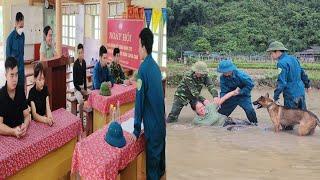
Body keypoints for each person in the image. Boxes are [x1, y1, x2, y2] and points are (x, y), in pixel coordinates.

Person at [132, 28, 166, 180]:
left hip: (151, 128)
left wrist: (136, 129)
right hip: (161, 126)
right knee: (159, 169)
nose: (137, 49)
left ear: (144, 46)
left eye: (138, 45)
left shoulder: (143, 69)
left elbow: (139, 101)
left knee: (152, 173)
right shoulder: (156, 67)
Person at [267, 41, 311, 130]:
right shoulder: (293, 58)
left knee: (288, 121)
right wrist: (307, 85)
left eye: (271, 53)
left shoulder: (281, 63)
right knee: (304, 117)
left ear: (277, 51)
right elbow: (302, 73)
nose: (271, 56)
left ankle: (287, 139)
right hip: (300, 92)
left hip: (291, 95)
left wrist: (275, 96)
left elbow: (282, 83)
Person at [217, 59, 258, 125]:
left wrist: (241, 92)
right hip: (231, 96)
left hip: (243, 96)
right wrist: (222, 100)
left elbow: (250, 85)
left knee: (249, 110)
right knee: (221, 113)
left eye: (225, 71)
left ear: (230, 70)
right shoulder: (222, 78)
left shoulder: (241, 75)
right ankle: (218, 124)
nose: (224, 73)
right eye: (223, 72)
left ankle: (255, 124)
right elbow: (224, 91)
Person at [0, 57, 31, 138]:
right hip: (7, 137)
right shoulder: (1, 95)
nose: (15, 79)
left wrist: (25, 126)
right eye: (12, 75)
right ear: (6, 75)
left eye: (16, 74)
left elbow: (27, 115)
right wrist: (13, 131)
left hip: (21, 133)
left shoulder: (20, 90)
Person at [6, 12, 25, 88]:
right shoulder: (10, 39)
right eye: (20, 26)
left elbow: (22, 54)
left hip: (21, 71)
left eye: (23, 26)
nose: (22, 28)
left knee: (21, 94)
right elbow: (8, 60)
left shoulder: (23, 36)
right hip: (14, 73)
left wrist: (23, 75)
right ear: (16, 23)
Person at [73, 44, 88, 119]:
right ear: (77, 53)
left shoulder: (84, 62)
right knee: (81, 101)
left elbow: (85, 76)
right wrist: (80, 89)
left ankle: (88, 117)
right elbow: (74, 82)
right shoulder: (75, 64)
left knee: (90, 95)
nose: (80, 54)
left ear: (83, 52)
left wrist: (85, 88)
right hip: (77, 89)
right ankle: (81, 118)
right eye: (79, 53)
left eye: (82, 52)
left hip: (82, 87)